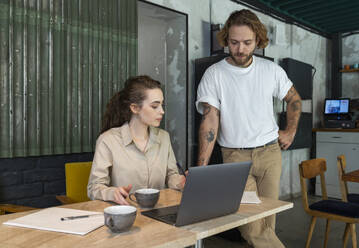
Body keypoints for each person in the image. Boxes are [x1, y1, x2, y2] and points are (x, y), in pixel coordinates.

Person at [196, 9, 301, 248]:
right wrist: (201, 170)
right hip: (235, 158)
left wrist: (290, 131)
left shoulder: (271, 70)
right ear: (226, 40)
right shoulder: (214, 75)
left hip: (270, 154)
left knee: (266, 225)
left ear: (258, 41)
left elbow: (294, 99)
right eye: (234, 42)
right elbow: (210, 120)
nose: (240, 49)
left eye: (247, 43)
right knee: (251, 228)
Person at [88, 75, 186, 205]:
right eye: (155, 106)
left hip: (158, 212)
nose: (162, 111)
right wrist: (112, 193)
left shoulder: (164, 137)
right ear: (134, 108)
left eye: (162, 105)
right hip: (124, 213)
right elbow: (94, 187)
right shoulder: (108, 140)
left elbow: (171, 175)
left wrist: (182, 181)